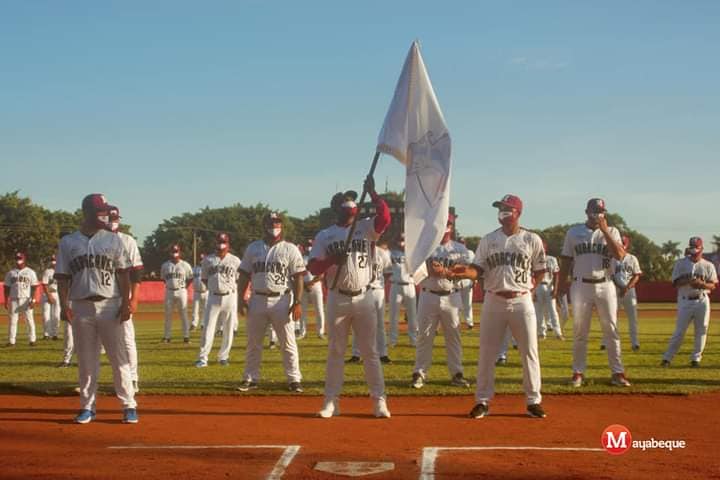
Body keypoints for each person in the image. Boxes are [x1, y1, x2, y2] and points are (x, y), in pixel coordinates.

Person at [452, 194, 547, 418]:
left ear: (518, 212)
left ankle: (533, 400)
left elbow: (541, 270)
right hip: (493, 299)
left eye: (507, 208)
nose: (502, 211)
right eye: (500, 208)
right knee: (486, 352)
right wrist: (463, 272)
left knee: (529, 352)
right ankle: (482, 401)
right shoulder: (488, 240)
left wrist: (529, 290)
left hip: (522, 299)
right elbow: (478, 270)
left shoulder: (532, 239)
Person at [308, 176, 391, 418]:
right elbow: (313, 267)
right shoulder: (326, 235)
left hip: (364, 296)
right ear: (337, 208)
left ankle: (379, 401)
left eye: (352, 201)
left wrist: (374, 194)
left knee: (370, 352)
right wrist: (331, 260)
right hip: (338, 297)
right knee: (336, 351)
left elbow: (385, 218)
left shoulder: (365, 227)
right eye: (345, 202)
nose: (350, 205)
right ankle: (331, 402)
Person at [54, 193, 137, 424]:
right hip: (81, 306)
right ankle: (87, 407)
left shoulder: (114, 240)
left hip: (110, 304)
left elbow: (123, 273)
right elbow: (62, 277)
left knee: (118, 357)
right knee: (87, 360)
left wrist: (126, 302)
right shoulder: (68, 242)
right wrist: (64, 305)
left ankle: (129, 404)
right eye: (100, 210)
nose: (105, 214)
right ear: (87, 213)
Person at [557, 198, 631, 388]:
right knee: (580, 331)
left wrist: (605, 230)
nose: (598, 214)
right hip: (580, 285)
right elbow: (565, 260)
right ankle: (578, 372)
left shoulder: (612, 231)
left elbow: (620, 255)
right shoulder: (574, 232)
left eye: (601, 210)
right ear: (586, 211)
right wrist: (561, 286)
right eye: (594, 210)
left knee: (611, 331)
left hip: (605, 284)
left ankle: (617, 372)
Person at [236, 212, 305, 392]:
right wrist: (239, 298)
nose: (274, 225)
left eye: (277, 222)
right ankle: (250, 378)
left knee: (288, 342)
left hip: (282, 299)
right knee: (253, 343)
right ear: (264, 225)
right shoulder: (253, 248)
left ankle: (294, 379)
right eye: (271, 222)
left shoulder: (290, 248)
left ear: (282, 225)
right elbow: (243, 275)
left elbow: (298, 277)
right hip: (257, 298)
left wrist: (297, 302)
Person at [410, 212, 472, 390]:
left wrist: (445, 270)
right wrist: (429, 267)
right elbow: (414, 268)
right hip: (428, 294)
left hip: (451, 295)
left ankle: (457, 373)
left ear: (451, 227)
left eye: (448, 224)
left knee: (453, 336)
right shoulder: (425, 247)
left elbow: (467, 270)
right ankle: (420, 373)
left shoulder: (460, 249)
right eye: (443, 223)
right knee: (424, 336)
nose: (445, 227)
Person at [661, 237, 718, 367]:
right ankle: (667, 358)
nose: (694, 251)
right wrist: (688, 281)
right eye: (692, 248)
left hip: (702, 299)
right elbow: (675, 283)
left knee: (701, 330)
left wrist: (702, 284)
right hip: (685, 300)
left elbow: (713, 285)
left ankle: (696, 359)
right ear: (689, 248)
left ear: (702, 249)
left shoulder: (708, 265)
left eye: (697, 248)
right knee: (679, 331)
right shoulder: (680, 263)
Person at [107, 205, 145, 393]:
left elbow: (137, 273)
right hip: (101, 297)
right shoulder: (95, 241)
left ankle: (133, 378)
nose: (113, 221)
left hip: (122, 295)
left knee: (128, 339)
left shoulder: (127, 240)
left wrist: (134, 299)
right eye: (110, 218)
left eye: (115, 218)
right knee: (98, 344)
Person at [194, 232, 241, 367]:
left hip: (230, 296)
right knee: (208, 328)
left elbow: (239, 278)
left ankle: (223, 357)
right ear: (215, 243)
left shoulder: (235, 260)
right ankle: (203, 358)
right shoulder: (208, 260)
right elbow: (204, 278)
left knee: (228, 328)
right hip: (213, 296)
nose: (221, 245)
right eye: (219, 242)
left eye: (224, 242)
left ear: (228, 244)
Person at [348, 239, 392, 364]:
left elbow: (388, 272)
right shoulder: (358, 252)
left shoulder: (382, 253)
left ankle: (383, 354)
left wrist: (379, 283)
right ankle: (356, 354)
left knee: (380, 324)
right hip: (362, 290)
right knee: (358, 323)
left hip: (377, 290)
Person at [603, 235, 642, 351]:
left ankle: (635, 343)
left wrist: (627, 287)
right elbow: (609, 275)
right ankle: (606, 342)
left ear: (626, 245)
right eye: (620, 244)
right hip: (615, 290)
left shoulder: (632, 258)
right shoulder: (611, 259)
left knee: (632, 318)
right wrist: (620, 287)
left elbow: (637, 275)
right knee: (610, 316)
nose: (621, 247)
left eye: (623, 244)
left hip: (630, 291)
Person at [387, 233, 417, 347]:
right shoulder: (391, 253)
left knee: (412, 315)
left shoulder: (413, 254)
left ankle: (413, 340)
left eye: (404, 239)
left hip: (409, 285)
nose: (402, 242)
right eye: (400, 239)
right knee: (393, 315)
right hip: (395, 285)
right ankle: (392, 341)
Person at [160, 245, 194, 343]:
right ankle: (167, 337)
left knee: (183, 314)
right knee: (168, 315)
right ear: (170, 252)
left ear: (179, 252)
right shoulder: (165, 265)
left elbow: (190, 278)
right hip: (169, 291)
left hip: (181, 290)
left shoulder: (185, 265)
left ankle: (186, 336)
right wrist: (170, 285)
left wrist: (184, 287)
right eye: (173, 251)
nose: (175, 253)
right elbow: (163, 278)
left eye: (176, 251)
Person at [4, 252, 39, 347]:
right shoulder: (10, 273)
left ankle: (32, 340)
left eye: (20, 258)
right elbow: (6, 287)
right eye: (17, 258)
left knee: (29, 320)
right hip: (14, 299)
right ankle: (11, 341)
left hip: (26, 299)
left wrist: (33, 300)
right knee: (12, 321)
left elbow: (34, 287)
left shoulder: (30, 272)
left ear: (24, 259)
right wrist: (6, 300)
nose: (18, 259)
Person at [535, 240, 563, 340]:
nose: (541, 248)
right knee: (539, 311)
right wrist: (533, 290)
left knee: (553, 311)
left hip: (549, 286)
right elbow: (531, 276)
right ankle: (542, 332)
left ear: (546, 248)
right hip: (537, 286)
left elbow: (556, 274)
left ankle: (558, 333)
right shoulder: (533, 259)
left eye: (543, 246)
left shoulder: (552, 259)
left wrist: (555, 289)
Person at [298, 241, 326, 340]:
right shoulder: (300, 259)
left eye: (311, 246)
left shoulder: (317, 258)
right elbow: (298, 274)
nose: (309, 248)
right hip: (303, 286)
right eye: (307, 246)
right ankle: (302, 332)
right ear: (304, 247)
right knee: (303, 311)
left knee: (319, 309)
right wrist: (305, 285)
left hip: (315, 285)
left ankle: (320, 332)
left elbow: (321, 274)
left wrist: (310, 283)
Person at [457, 237, 476, 329]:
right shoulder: (454, 253)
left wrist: (474, 280)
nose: (462, 243)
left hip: (467, 280)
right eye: (460, 242)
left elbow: (474, 267)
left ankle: (470, 323)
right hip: (457, 281)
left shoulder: (470, 253)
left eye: (463, 242)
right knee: (456, 303)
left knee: (467, 303)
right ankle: (457, 322)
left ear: (465, 243)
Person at [41, 255, 61, 341]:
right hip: (47, 294)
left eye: (55, 260)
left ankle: (55, 334)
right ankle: (46, 334)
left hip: (57, 294)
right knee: (46, 315)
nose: (54, 261)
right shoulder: (47, 271)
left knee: (56, 315)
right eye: (52, 260)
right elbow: (44, 284)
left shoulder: (62, 271)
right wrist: (49, 296)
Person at [191, 254, 208, 331]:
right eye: (200, 259)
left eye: (202, 259)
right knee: (195, 309)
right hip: (196, 292)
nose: (201, 260)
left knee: (205, 309)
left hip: (206, 292)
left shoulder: (207, 268)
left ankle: (203, 324)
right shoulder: (194, 269)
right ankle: (194, 324)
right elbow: (190, 278)